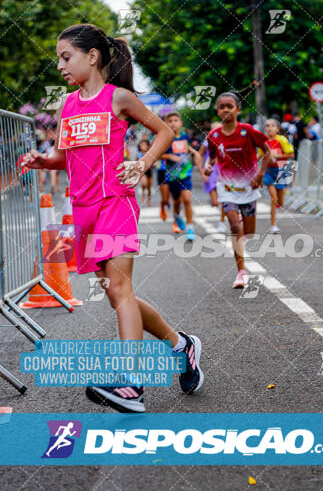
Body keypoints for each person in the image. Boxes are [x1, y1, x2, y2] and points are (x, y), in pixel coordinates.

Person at [22, 23, 204, 412]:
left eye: (65, 57)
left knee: (119, 288)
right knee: (117, 294)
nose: (60, 66)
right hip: (83, 209)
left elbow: (163, 134)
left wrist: (142, 163)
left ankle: (131, 385)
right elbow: (64, 156)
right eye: (58, 58)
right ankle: (181, 345)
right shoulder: (67, 105)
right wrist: (42, 161)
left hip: (115, 203)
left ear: (92, 56)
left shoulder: (118, 98)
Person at [205, 92, 273, 289]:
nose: (225, 109)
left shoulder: (247, 131)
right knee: (235, 226)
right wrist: (210, 166)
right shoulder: (214, 136)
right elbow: (212, 158)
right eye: (221, 107)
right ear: (217, 111)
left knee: (249, 234)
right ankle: (241, 272)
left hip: (249, 188)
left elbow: (267, 151)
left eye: (230, 106)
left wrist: (260, 175)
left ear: (238, 109)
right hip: (226, 188)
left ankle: (243, 225)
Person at [161, 111, 199, 241]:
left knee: (187, 199)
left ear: (180, 123)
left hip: (185, 173)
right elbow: (157, 154)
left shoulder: (185, 137)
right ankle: (177, 216)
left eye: (175, 120)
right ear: (166, 123)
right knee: (176, 201)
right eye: (170, 121)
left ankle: (190, 228)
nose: (173, 123)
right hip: (172, 175)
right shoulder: (164, 138)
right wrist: (170, 156)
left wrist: (194, 153)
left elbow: (188, 149)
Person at [264, 118, 294, 234]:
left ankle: (277, 206)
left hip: (283, 169)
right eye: (267, 126)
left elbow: (291, 154)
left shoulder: (281, 139)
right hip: (269, 171)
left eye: (272, 126)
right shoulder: (264, 141)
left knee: (280, 202)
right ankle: (273, 225)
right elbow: (260, 156)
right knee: (274, 199)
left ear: (277, 128)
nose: (270, 128)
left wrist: (276, 155)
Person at [196, 122, 226, 233]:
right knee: (215, 203)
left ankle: (222, 221)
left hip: (224, 170)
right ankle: (213, 201)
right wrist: (202, 172)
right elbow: (200, 154)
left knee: (224, 199)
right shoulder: (208, 141)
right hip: (211, 170)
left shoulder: (227, 140)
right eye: (213, 128)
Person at [137, 138, 153, 206]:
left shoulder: (150, 153)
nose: (143, 146)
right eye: (142, 144)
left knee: (149, 187)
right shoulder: (139, 154)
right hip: (142, 171)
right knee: (144, 184)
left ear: (148, 146)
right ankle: (143, 193)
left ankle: (149, 199)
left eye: (145, 144)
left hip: (149, 171)